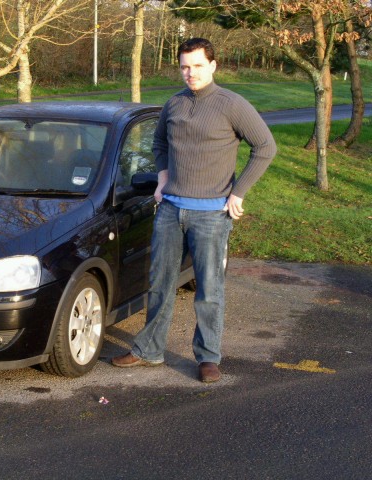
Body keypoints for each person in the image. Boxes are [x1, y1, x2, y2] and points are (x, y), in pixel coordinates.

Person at [112, 38, 277, 382]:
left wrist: (239, 193)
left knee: (209, 289)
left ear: (213, 66)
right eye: (185, 66)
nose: (191, 73)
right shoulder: (174, 104)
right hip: (171, 210)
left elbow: (265, 147)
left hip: (213, 215)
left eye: (198, 65)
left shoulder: (231, 104)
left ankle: (207, 357)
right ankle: (149, 350)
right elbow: (158, 143)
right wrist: (162, 178)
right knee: (160, 284)